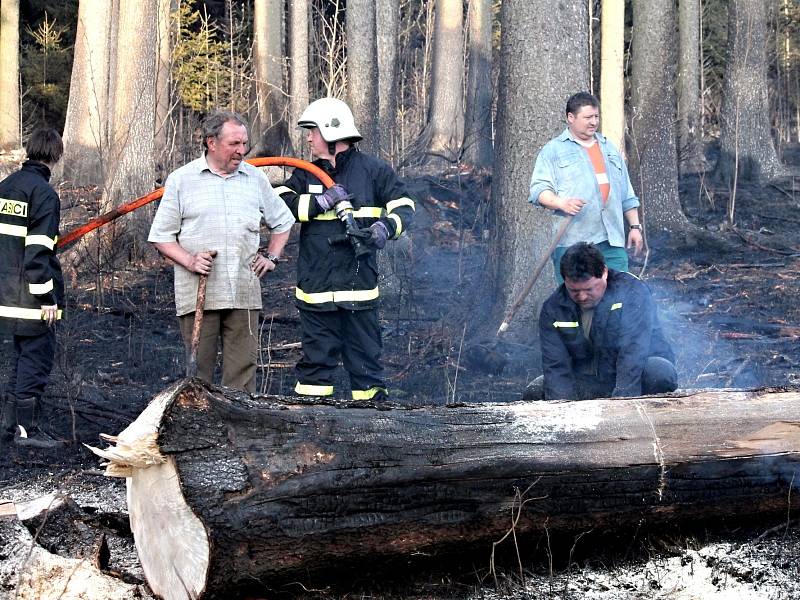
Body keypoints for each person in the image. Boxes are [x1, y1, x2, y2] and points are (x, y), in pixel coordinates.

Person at [274, 98, 415, 402]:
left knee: (366, 365)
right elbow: (279, 203)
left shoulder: (374, 171)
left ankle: (371, 428)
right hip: (316, 288)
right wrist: (319, 202)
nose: (309, 137)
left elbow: (405, 206)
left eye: (313, 131)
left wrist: (384, 228)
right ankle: (310, 427)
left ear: (331, 131)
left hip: (358, 288)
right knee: (314, 368)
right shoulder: (306, 174)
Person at [148, 110, 295, 392]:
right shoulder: (182, 180)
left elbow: (283, 221)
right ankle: (199, 428)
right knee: (197, 374)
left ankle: (239, 429)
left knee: (242, 373)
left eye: (244, 144)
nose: (241, 151)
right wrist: (189, 260)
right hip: (199, 295)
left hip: (243, 292)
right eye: (234, 144)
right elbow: (161, 237)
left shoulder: (255, 178)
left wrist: (272, 256)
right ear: (211, 142)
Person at [526, 242, 677, 401]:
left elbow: (633, 352)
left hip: (633, 377)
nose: (582, 297)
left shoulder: (632, 291)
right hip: (589, 380)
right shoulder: (554, 308)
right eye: (574, 291)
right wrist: (561, 408)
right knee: (537, 390)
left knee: (660, 372)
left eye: (589, 289)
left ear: (604, 272)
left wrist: (622, 404)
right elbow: (556, 365)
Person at [529, 92, 644, 284]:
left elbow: (627, 193)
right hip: (573, 244)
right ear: (571, 118)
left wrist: (634, 226)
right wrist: (561, 203)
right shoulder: (553, 150)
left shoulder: (609, 149)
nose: (593, 122)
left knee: (618, 296)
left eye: (596, 117)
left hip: (611, 241)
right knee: (576, 299)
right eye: (588, 117)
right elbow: (538, 191)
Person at [0, 128, 65, 449]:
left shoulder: (5, 187)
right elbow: (38, 250)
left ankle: (9, 426)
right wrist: (47, 297)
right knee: (35, 360)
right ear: (56, 156)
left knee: (18, 359)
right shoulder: (43, 194)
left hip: (4, 296)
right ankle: (27, 431)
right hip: (30, 299)